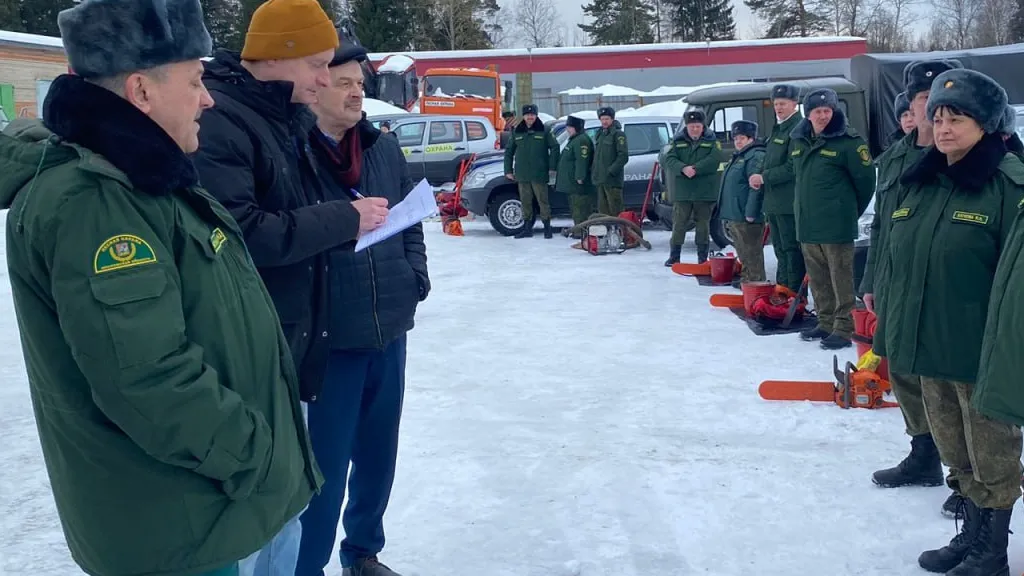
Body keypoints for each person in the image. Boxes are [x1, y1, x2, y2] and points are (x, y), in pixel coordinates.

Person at [0, 1, 319, 575]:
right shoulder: (96, 201)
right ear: (142, 92)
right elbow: (147, 379)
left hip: (205, 508)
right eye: (195, 81)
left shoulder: (145, 182)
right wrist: (259, 458)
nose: (208, 98)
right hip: (179, 529)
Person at [192, 1, 389, 571]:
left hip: (292, 343)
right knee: (255, 516)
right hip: (250, 352)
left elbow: (295, 210)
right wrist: (344, 220)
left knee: (285, 507)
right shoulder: (224, 121)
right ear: (279, 58)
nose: (326, 81)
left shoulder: (282, 116)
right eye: (319, 66)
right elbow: (242, 234)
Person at [878, 68, 1024, 575]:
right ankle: (971, 535)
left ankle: (993, 552)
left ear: (986, 124)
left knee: (992, 453)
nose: (942, 128)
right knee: (954, 449)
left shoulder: (1007, 185)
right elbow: (897, 261)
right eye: (937, 116)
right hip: (927, 344)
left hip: (980, 349)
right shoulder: (921, 181)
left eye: (956, 118)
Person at [297, 41, 429, 576]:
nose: (358, 93)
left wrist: (414, 277)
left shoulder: (381, 148)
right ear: (314, 85)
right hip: (330, 341)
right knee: (322, 471)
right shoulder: (292, 154)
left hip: (388, 329)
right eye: (346, 82)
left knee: (377, 459)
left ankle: (363, 553)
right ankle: (307, 566)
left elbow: (411, 217)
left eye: (361, 84)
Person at [865, 60, 963, 516]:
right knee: (902, 370)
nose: (931, 110)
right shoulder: (897, 157)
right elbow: (882, 227)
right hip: (896, 283)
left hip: (944, 291)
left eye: (940, 102)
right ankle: (924, 453)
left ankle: (969, 478)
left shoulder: (958, 156)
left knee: (948, 382)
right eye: (923, 101)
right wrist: (871, 282)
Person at [790, 88, 875, 350]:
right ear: (808, 114)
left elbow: (866, 182)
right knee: (818, 279)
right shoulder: (800, 140)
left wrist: (846, 211)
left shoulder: (849, 142)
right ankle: (825, 322)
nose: (824, 116)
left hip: (836, 226)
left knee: (842, 279)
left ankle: (844, 327)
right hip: (808, 225)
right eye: (818, 111)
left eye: (828, 111)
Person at [750, 83, 805, 291]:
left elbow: (793, 167)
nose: (779, 108)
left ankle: (793, 294)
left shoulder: (797, 129)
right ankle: (783, 289)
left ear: (794, 104)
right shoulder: (778, 129)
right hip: (773, 202)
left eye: (783, 103)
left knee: (791, 250)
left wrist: (764, 177)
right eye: (776, 104)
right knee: (780, 250)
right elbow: (770, 159)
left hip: (788, 202)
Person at [661, 109, 725, 266]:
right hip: (683, 192)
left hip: (704, 192)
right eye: (691, 126)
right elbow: (669, 159)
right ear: (687, 127)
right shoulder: (677, 141)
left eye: (697, 126)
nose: (695, 129)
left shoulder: (712, 141)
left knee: (703, 226)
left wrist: (695, 168)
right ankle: (674, 256)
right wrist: (682, 168)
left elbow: (714, 159)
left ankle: (702, 258)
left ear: (703, 126)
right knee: (679, 224)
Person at [717, 120, 767, 284]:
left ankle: (755, 281)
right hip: (736, 213)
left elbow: (756, 187)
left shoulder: (755, 156)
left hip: (746, 215)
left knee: (751, 252)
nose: (738, 141)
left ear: (751, 139)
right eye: (736, 138)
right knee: (744, 251)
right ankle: (747, 278)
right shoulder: (740, 156)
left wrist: (751, 213)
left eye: (742, 138)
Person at [503, 103, 559, 238]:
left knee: (543, 201)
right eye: (528, 115)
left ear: (536, 116)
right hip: (522, 174)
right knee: (525, 201)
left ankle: (547, 227)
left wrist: (552, 167)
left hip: (539, 173)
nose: (530, 117)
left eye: (532, 115)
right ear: (524, 116)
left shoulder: (544, 130)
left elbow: (555, 148)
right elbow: (509, 151)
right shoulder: (517, 131)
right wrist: (508, 170)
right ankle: (527, 228)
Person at [556, 114, 596, 234]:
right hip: (572, 184)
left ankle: (582, 232)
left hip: (578, 184)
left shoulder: (581, 140)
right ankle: (578, 230)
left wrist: (580, 176)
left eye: (570, 127)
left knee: (581, 208)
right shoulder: (575, 139)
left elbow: (581, 160)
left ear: (576, 128)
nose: (568, 130)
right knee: (576, 207)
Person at [591, 106, 629, 217]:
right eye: (602, 119)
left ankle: (620, 232)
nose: (604, 121)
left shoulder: (618, 134)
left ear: (612, 119)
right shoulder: (600, 134)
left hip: (612, 181)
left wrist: (611, 171)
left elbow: (623, 156)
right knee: (603, 211)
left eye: (607, 119)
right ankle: (606, 232)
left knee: (616, 210)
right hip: (601, 180)